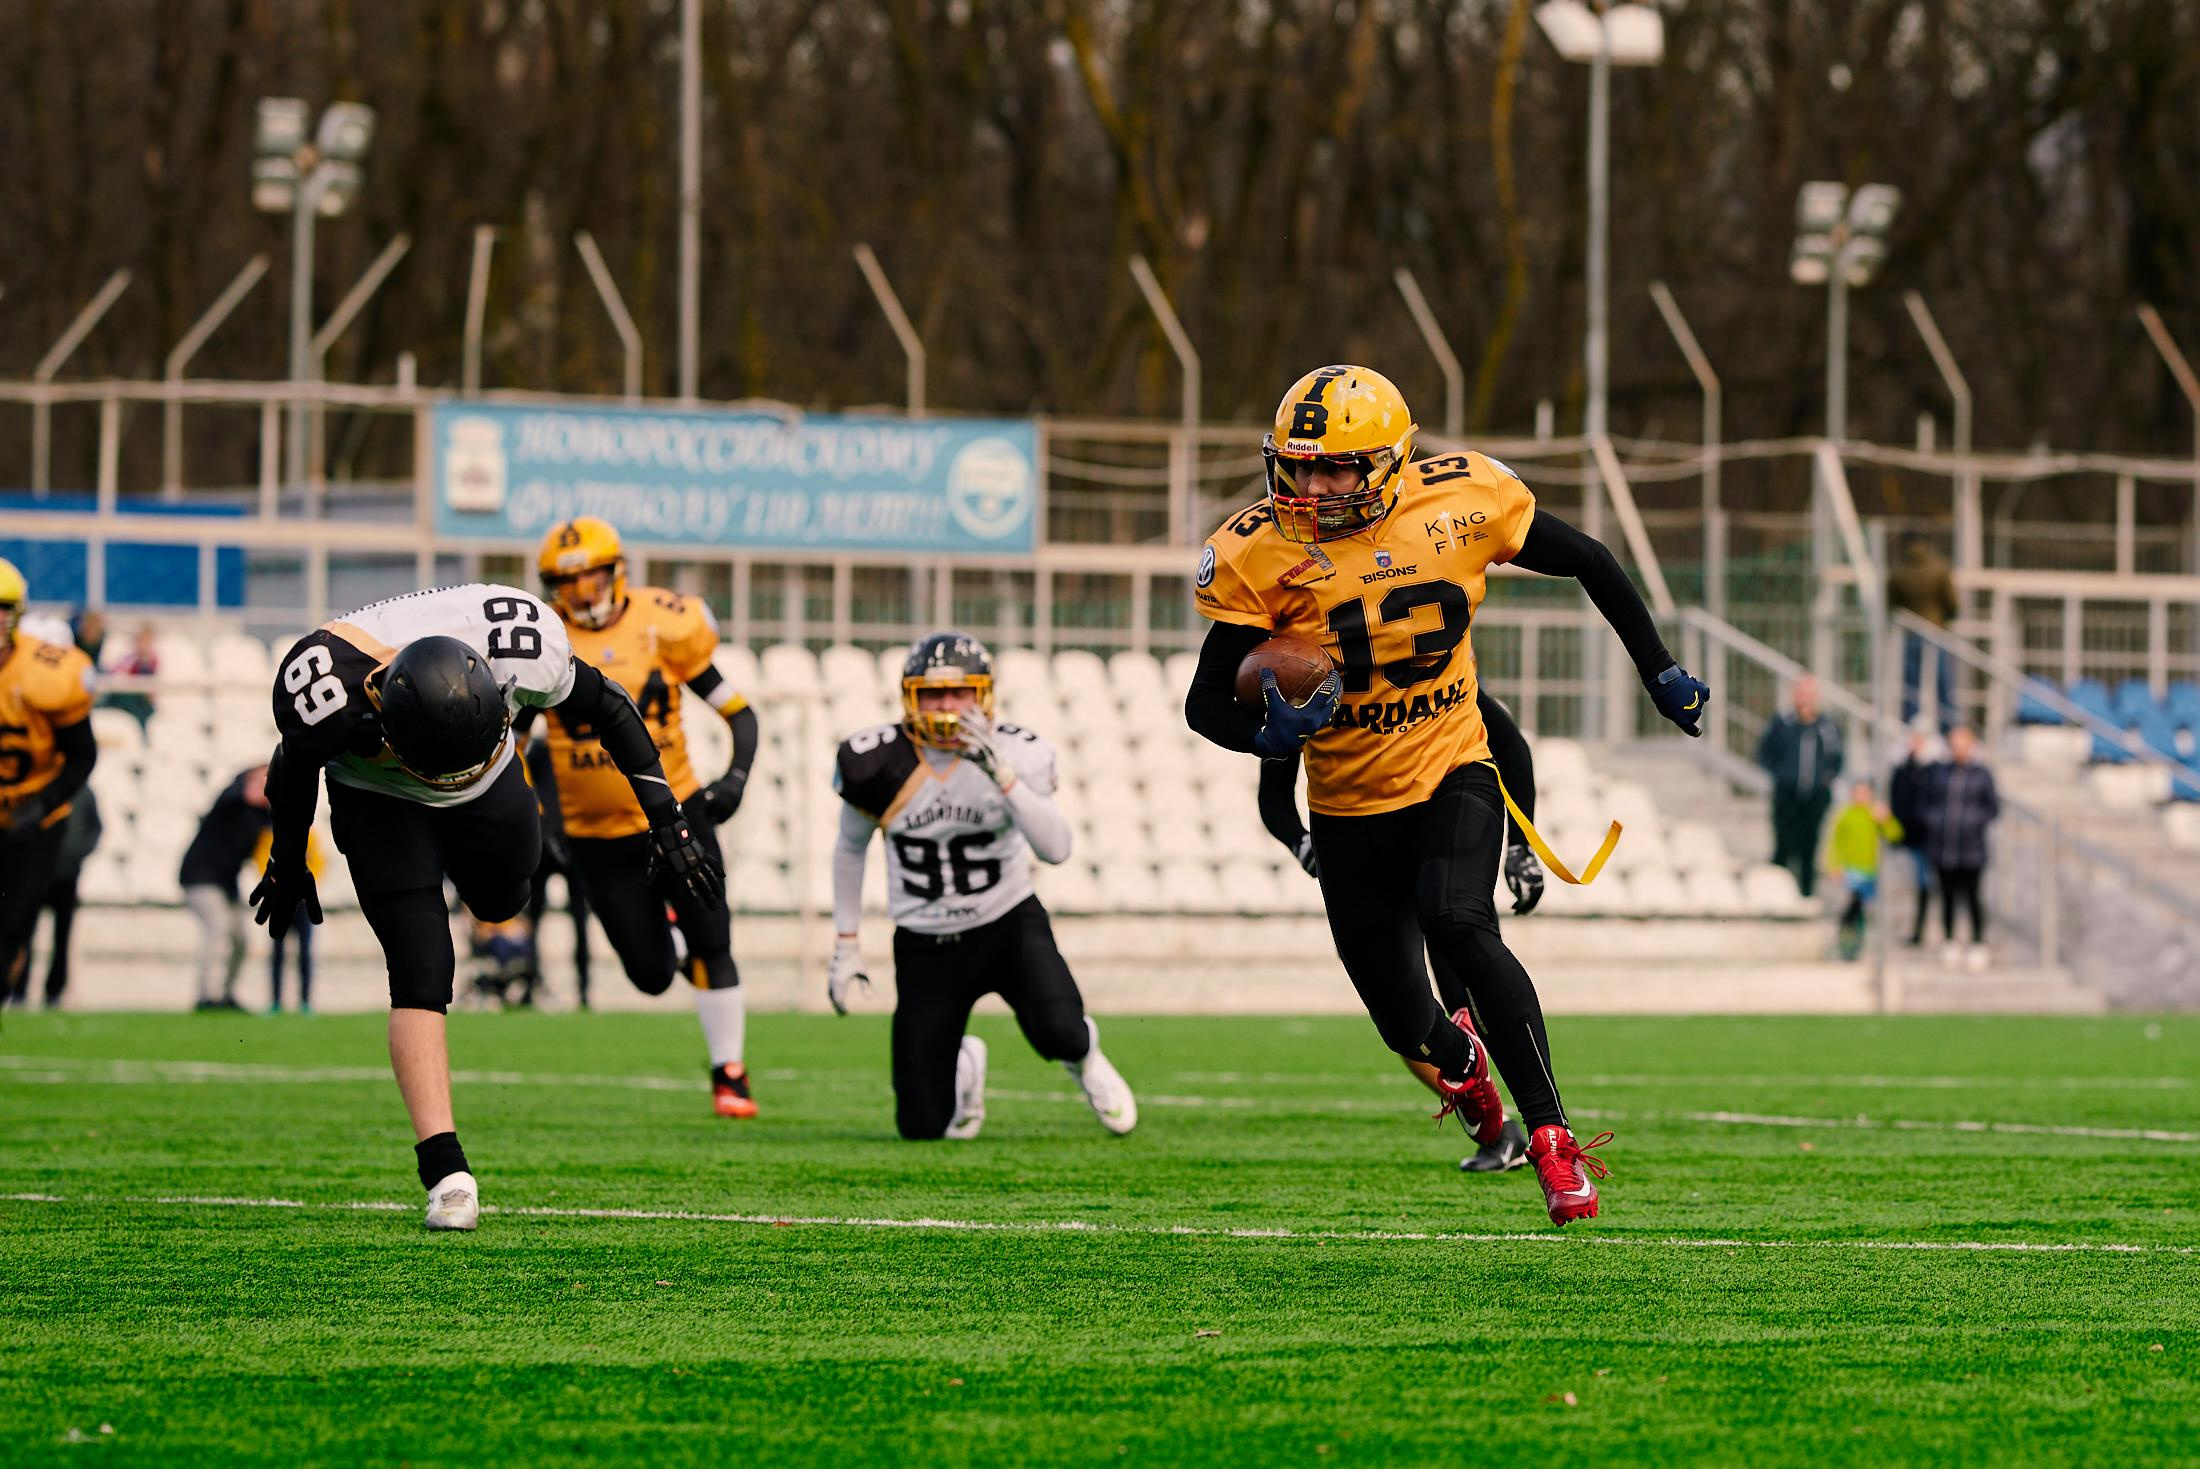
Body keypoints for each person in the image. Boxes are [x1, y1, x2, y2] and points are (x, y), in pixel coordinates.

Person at [1185, 364, 1709, 1225]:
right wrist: (1262, 735)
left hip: (1450, 766)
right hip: (1349, 806)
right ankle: (1462, 1066)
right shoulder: (1260, 552)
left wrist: (1658, 669)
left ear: (1387, 463)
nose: (1311, 486)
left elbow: (1589, 559)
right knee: (1404, 1020)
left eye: (1334, 469)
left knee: (1460, 922)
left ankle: (1552, 1138)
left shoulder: (1463, 501)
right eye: (1299, 466)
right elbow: (1204, 701)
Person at [255, 583, 724, 1231]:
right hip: (378, 796)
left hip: (493, 781)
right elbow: (294, 763)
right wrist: (286, 856)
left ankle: (496, 846)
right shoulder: (327, 690)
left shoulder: (519, 644)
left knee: (505, 899)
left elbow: (610, 707)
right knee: (421, 967)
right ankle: (447, 1173)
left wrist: (668, 823)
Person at [827, 631, 1138, 1142]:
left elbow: (1057, 849)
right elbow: (849, 848)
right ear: (910, 696)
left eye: (959, 692)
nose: (947, 706)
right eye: (933, 694)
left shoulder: (1017, 750)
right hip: (925, 942)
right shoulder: (877, 761)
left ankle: (1086, 1060)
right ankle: (965, 1068)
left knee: (1060, 1030)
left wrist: (1001, 774)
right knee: (922, 1126)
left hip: (1007, 924)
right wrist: (845, 944)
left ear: (983, 695)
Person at [1258, 685, 1541, 1173]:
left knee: (1467, 988)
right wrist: (1307, 847)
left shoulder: (1426, 684)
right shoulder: (1311, 693)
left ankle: (1541, 1126)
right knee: (1408, 1023)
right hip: (1370, 863)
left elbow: (1510, 747)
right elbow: (1272, 793)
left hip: (1440, 847)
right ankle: (1496, 1125)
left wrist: (1520, 845)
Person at [531, 518, 760, 1116]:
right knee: (651, 975)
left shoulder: (664, 622)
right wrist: (541, 817)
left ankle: (729, 1074)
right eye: (567, 579)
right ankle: (676, 940)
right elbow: (520, 744)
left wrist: (734, 779)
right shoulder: (545, 638)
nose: (581, 590)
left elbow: (740, 713)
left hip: (674, 811)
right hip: (595, 834)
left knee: (716, 938)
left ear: (616, 570)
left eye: (591, 575)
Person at [0, 559, 100, 1009]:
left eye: (2, 608)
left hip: (35, 816)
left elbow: (83, 755)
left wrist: (42, 804)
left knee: (14, 925)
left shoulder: (49, 671)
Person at [180, 765, 275, 1012]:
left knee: (241, 940)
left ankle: (226, 993)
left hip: (225, 882)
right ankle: (207, 994)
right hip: (200, 876)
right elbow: (242, 793)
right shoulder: (230, 800)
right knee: (218, 928)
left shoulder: (263, 816)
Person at [1916, 725, 1999, 971]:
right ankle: (1949, 940)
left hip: (1972, 850)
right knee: (1947, 897)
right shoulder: (1939, 773)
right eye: (1954, 744)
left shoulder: (1982, 774)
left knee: (1973, 897)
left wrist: (1973, 823)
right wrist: (1935, 822)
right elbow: (1926, 803)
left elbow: (1992, 808)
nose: (1959, 749)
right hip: (1943, 848)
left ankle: (1977, 942)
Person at [1756, 675, 1843, 899]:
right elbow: (1765, 752)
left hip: (1815, 798)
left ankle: (1806, 896)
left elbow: (1837, 759)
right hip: (1787, 796)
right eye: (1801, 693)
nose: (1804, 698)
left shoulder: (1827, 726)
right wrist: (1782, 775)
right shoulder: (1783, 722)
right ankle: (1777, 896)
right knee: (1783, 847)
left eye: (1809, 693)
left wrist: (1825, 779)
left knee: (1808, 850)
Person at [522, 734, 593, 1009]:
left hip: (562, 838)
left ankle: (582, 986)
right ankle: (535, 983)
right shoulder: (543, 750)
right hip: (558, 838)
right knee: (542, 918)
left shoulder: (549, 750)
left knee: (571, 919)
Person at [1825, 781, 1902, 961]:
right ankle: (1849, 944)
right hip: (1852, 871)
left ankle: (1863, 944)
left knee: (1864, 910)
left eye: (1865, 793)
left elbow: (1895, 835)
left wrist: (1886, 819)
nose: (1861, 797)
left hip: (1872, 871)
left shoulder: (1874, 814)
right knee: (1853, 907)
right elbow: (1835, 843)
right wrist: (1834, 866)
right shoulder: (1846, 815)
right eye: (1857, 792)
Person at [1888, 537, 1959, 730]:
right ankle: (1949, 728)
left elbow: (1892, 603)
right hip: (1936, 630)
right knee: (1943, 683)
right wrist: (1945, 620)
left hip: (1911, 631)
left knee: (1911, 684)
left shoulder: (1899, 572)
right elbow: (1952, 603)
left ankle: (1910, 726)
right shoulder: (1939, 569)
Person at [1887, 730, 1938, 946]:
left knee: (1924, 885)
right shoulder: (1902, 771)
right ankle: (1908, 928)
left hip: (1928, 839)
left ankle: (1922, 929)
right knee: (1909, 885)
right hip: (1905, 839)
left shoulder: (1934, 771)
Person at [100, 621, 159, 729]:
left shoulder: (154, 660)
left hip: (142, 702)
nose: (142, 644)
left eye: (146, 640)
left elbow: (152, 691)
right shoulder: (129, 657)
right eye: (140, 640)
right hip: (125, 695)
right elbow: (116, 672)